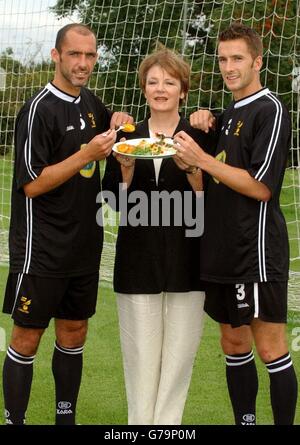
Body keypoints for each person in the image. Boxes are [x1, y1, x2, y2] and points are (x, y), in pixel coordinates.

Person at [2, 23, 132, 425]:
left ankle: (65, 417)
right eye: (75, 54)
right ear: (56, 56)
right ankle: (14, 418)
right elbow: (33, 184)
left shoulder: (95, 105)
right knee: (27, 337)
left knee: (74, 332)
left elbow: (111, 188)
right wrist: (86, 153)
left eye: (90, 55)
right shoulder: (38, 108)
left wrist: (124, 160)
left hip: (84, 246)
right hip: (40, 249)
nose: (83, 63)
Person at [174, 22, 298, 425]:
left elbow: (261, 188)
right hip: (221, 249)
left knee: (270, 347)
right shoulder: (226, 116)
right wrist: (197, 142)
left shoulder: (270, 109)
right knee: (232, 342)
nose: (229, 67)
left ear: (257, 61)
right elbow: (204, 178)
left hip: (256, 251)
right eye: (223, 58)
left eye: (238, 58)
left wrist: (203, 159)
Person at [102, 47, 214, 425]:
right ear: (144, 89)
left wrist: (195, 174)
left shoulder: (201, 133)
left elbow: (211, 206)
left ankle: (168, 428)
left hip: (190, 261)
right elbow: (113, 204)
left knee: (179, 359)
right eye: (153, 82)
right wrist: (127, 171)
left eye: (169, 81)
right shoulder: (127, 136)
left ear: (183, 90)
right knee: (141, 358)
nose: (160, 88)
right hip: (137, 260)